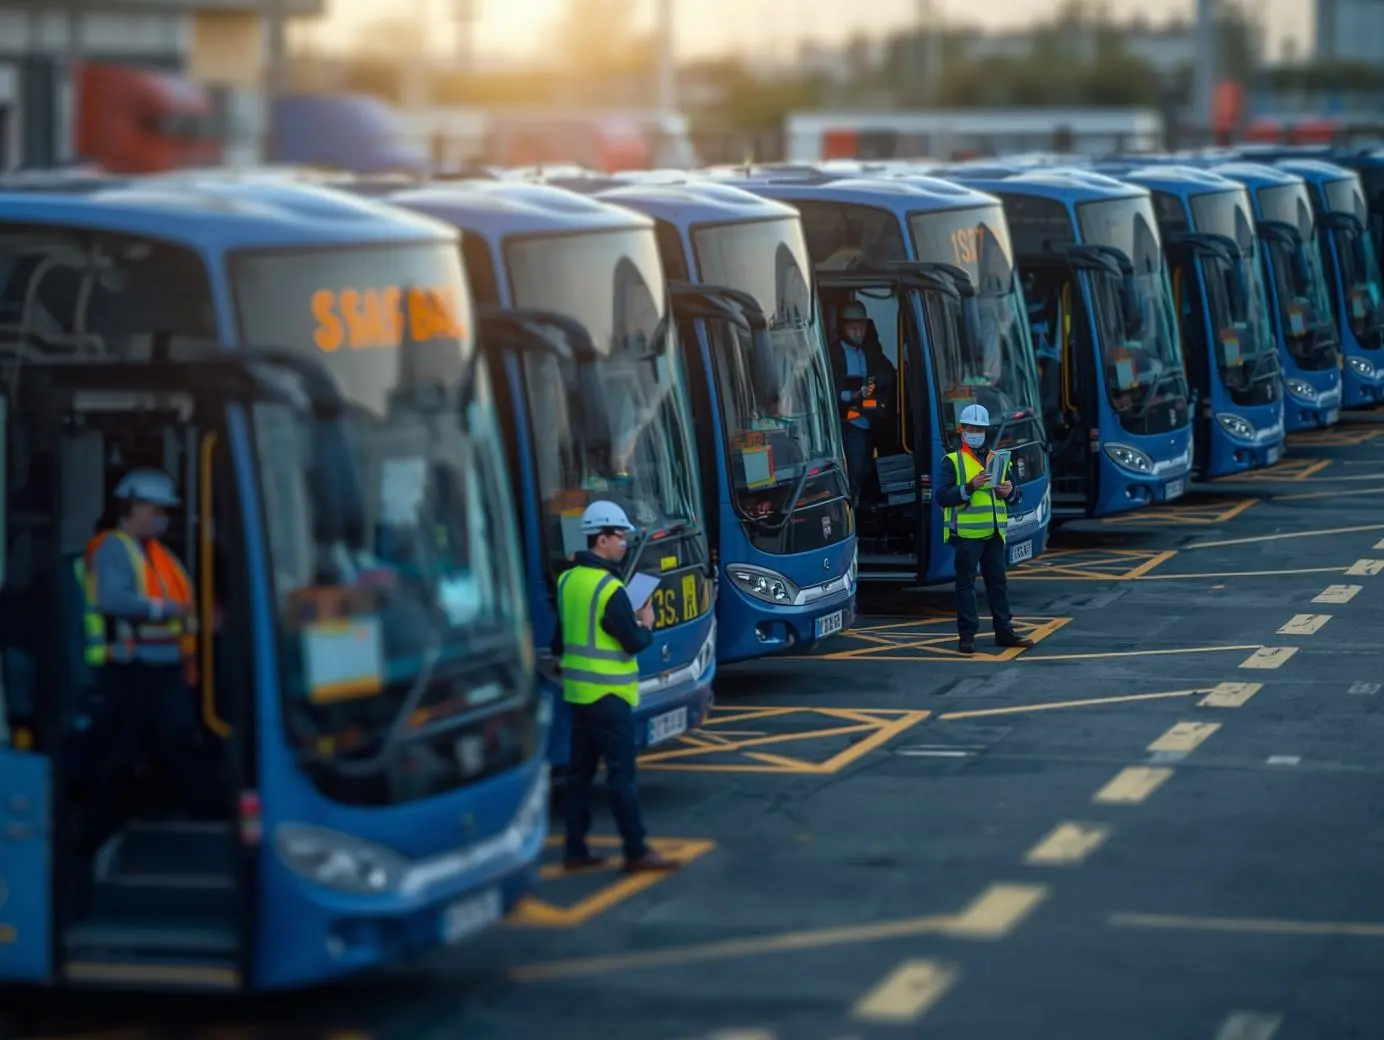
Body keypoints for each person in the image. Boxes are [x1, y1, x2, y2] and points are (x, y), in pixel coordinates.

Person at [80, 467, 208, 852]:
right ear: (131, 507)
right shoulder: (112, 547)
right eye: (156, 509)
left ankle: (190, 814)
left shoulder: (157, 553)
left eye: (165, 510)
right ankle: (94, 831)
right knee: (124, 749)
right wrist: (164, 610)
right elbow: (111, 599)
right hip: (132, 668)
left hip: (164, 665)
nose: (162, 517)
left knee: (172, 739)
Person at [554, 500, 679, 875]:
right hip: (610, 698)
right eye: (620, 536)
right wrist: (647, 622)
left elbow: (560, 643)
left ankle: (575, 849)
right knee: (621, 777)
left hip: (578, 695)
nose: (624, 543)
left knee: (578, 777)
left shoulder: (567, 581)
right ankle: (636, 851)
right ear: (603, 539)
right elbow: (634, 643)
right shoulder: (610, 589)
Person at [934, 404, 1036, 656]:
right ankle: (966, 637)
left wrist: (1009, 492)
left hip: (994, 534)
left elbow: (1016, 495)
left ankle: (1004, 632)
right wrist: (969, 487)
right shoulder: (953, 461)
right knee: (965, 586)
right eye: (971, 428)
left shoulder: (997, 459)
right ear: (962, 431)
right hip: (967, 535)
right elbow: (941, 497)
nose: (976, 433)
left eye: (980, 429)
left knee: (998, 584)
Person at [829, 301, 894, 503]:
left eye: (863, 327)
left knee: (871, 467)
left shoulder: (871, 351)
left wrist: (877, 381)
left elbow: (888, 372)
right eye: (853, 327)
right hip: (848, 421)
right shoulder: (833, 354)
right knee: (855, 468)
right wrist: (853, 395)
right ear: (842, 326)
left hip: (872, 419)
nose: (859, 332)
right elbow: (828, 391)